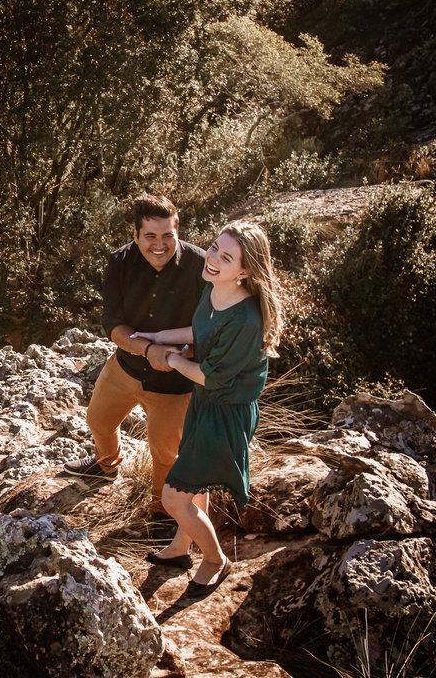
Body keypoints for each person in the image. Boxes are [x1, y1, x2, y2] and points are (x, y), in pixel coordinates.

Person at [136, 220, 283, 597]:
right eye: (215, 247)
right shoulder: (215, 289)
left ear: (246, 271)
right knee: (194, 483)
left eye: (226, 256)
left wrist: (170, 360)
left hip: (225, 412)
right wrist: (157, 337)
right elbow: (198, 330)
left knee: (174, 497)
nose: (213, 258)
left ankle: (215, 559)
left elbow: (213, 376)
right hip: (205, 403)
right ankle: (182, 548)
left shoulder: (246, 320)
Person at [63, 193, 206, 509]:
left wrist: (175, 353)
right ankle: (105, 467)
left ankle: (163, 513)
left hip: (175, 384)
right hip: (126, 367)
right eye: (150, 236)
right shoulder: (121, 262)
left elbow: (214, 325)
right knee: (98, 420)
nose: (160, 244)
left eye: (168, 235)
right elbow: (112, 324)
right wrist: (149, 350)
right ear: (135, 235)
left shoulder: (201, 266)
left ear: (177, 231)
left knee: (165, 455)